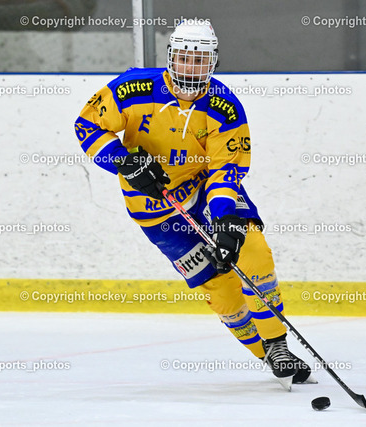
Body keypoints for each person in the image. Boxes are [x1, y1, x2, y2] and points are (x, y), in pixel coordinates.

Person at [75, 18, 311, 386]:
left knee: (252, 251)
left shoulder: (224, 106)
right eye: (185, 58)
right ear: (171, 57)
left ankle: (278, 343)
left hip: (204, 192)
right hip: (154, 210)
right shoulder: (132, 89)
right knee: (220, 289)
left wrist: (225, 217)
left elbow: (225, 169)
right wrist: (124, 161)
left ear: (213, 62)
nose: (191, 68)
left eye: (200, 60)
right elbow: (87, 125)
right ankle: (266, 354)